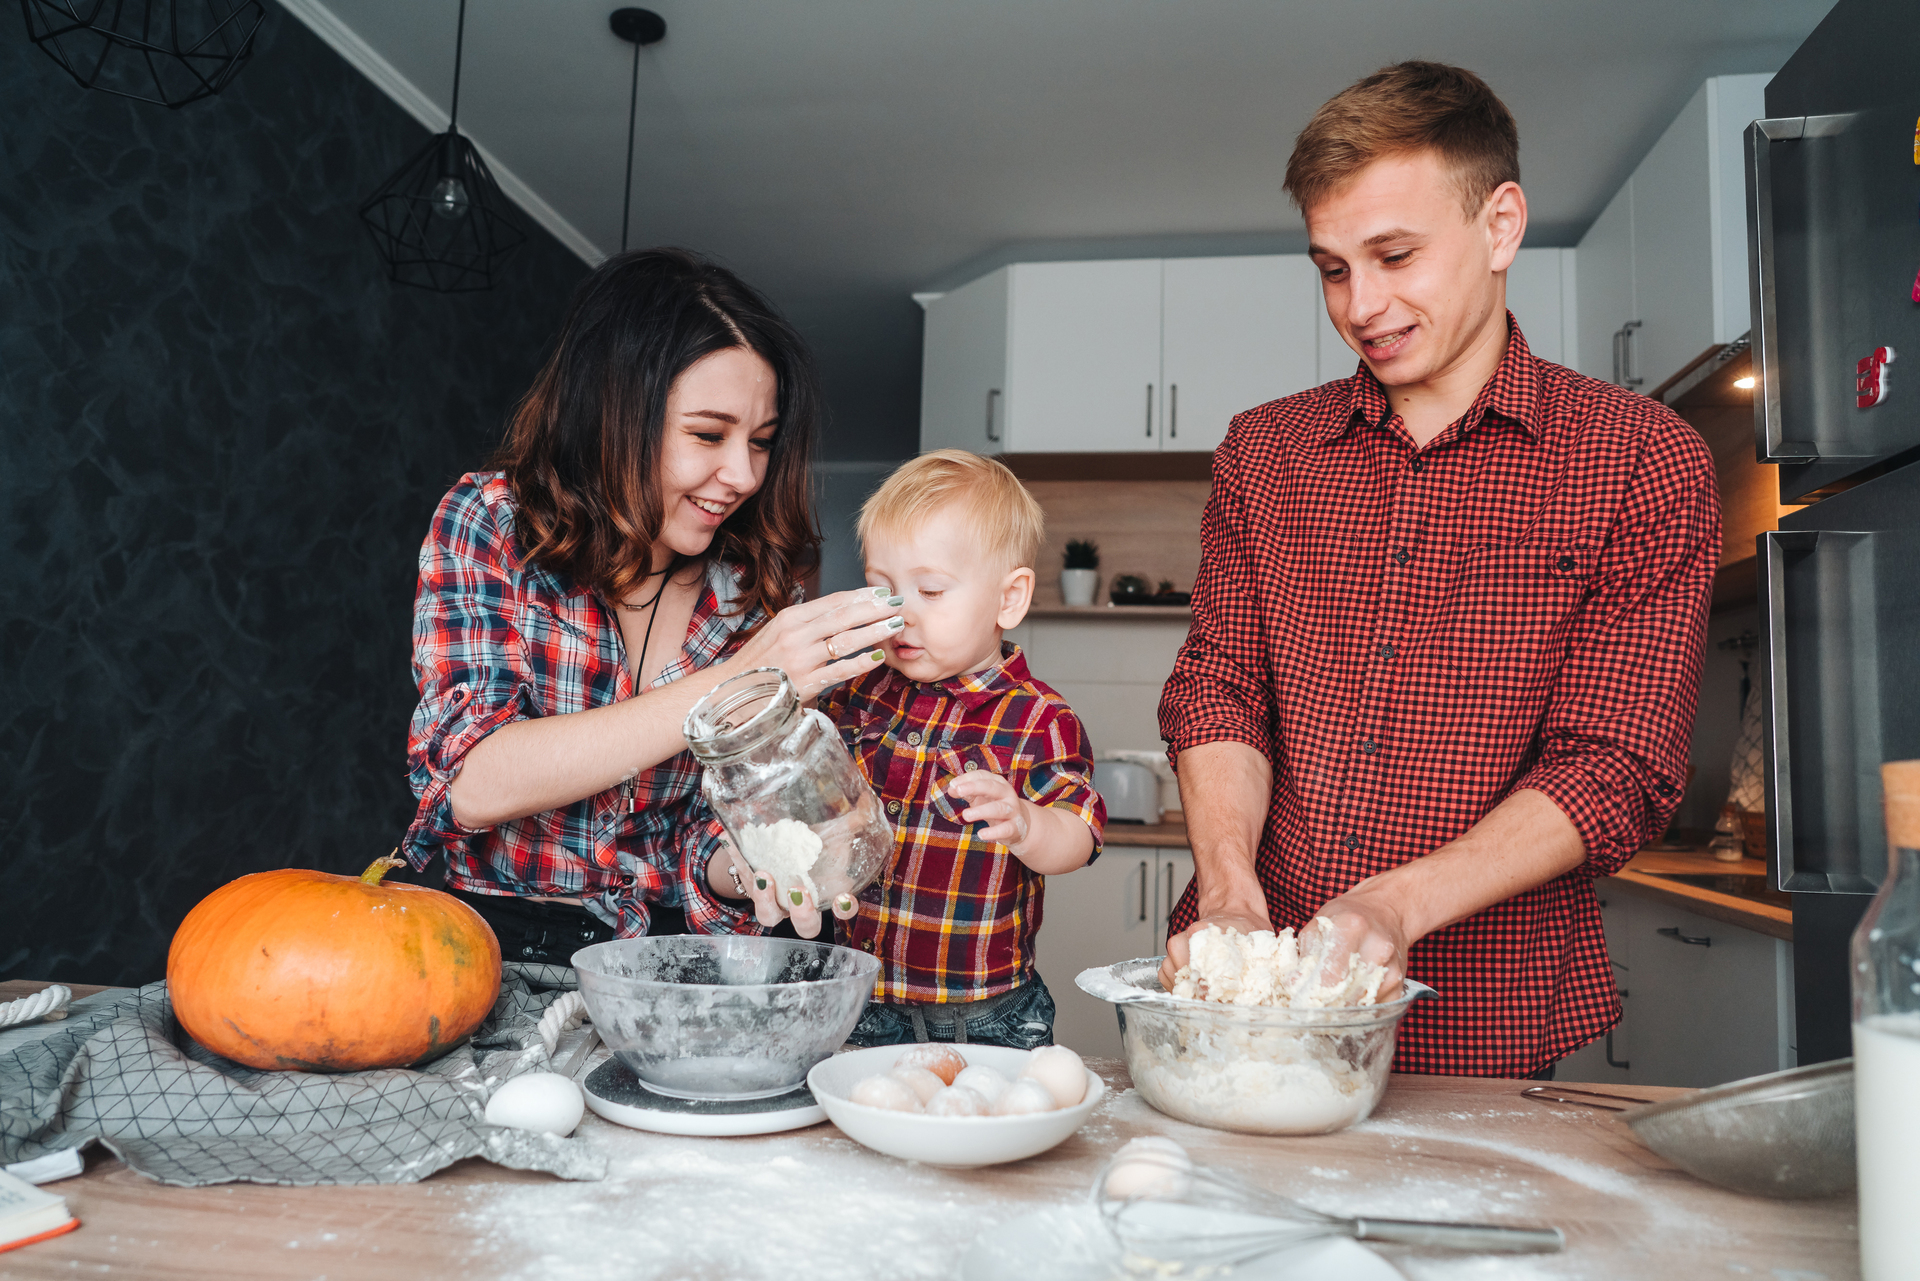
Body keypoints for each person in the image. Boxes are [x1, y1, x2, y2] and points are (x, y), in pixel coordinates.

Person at [1158, 62, 1719, 1077]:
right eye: (1332, 268)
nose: (1362, 305)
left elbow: (1616, 767)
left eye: (1395, 255)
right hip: (1250, 998)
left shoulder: (1643, 458)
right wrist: (1231, 892)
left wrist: (1393, 906)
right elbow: (1220, 690)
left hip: (1484, 1015)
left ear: (1500, 226)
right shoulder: (1265, 453)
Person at [402, 248, 905, 963]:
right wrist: (739, 682)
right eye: (707, 434)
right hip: (497, 941)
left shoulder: (751, 583)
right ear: (613, 413)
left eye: (760, 442)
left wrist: (752, 865)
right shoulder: (490, 521)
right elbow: (472, 783)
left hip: (670, 953)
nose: (742, 475)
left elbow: (702, 834)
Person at [753, 451, 1105, 1047]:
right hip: (850, 996)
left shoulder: (1038, 718)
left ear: (1008, 599)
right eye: (882, 591)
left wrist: (1026, 825)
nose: (900, 615)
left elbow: (1080, 834)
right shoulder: (854, 698)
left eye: (931, 591)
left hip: (979, 1016)